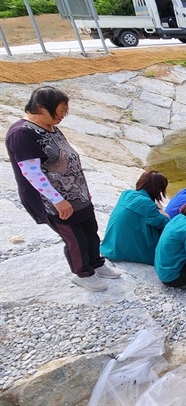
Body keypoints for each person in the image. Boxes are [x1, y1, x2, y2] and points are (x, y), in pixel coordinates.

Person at [4, 86, 120, 292]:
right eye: (60, 111)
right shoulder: (22, 133)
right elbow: (32, 173)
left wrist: (82, 189)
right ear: (40, 107)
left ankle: (97, 264)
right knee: (76, 239)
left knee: (90, 232)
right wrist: (57, 200)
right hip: (55, 201)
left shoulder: (51, 127)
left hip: (77, 194)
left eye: (65, 111)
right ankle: (83, 274)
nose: (63, 116)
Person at [100, 171, 170, 265]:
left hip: (110, 246)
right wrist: (162, 212)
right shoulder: (147, 204)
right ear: (158, 189)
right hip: (125, 251)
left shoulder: (126, 194)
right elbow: (165, 224)